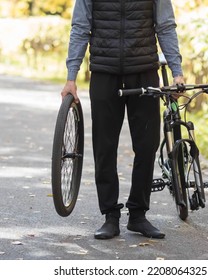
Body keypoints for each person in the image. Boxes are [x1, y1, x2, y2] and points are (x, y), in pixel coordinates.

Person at [61, 0, 184, 240]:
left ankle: (138, 214)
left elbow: (166, 26)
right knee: (105, 147)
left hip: (145, 71)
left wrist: (177, 72)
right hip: (104, 73)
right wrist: (71, 77)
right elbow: (80, 27)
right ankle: (110, 215)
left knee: (147, 145)